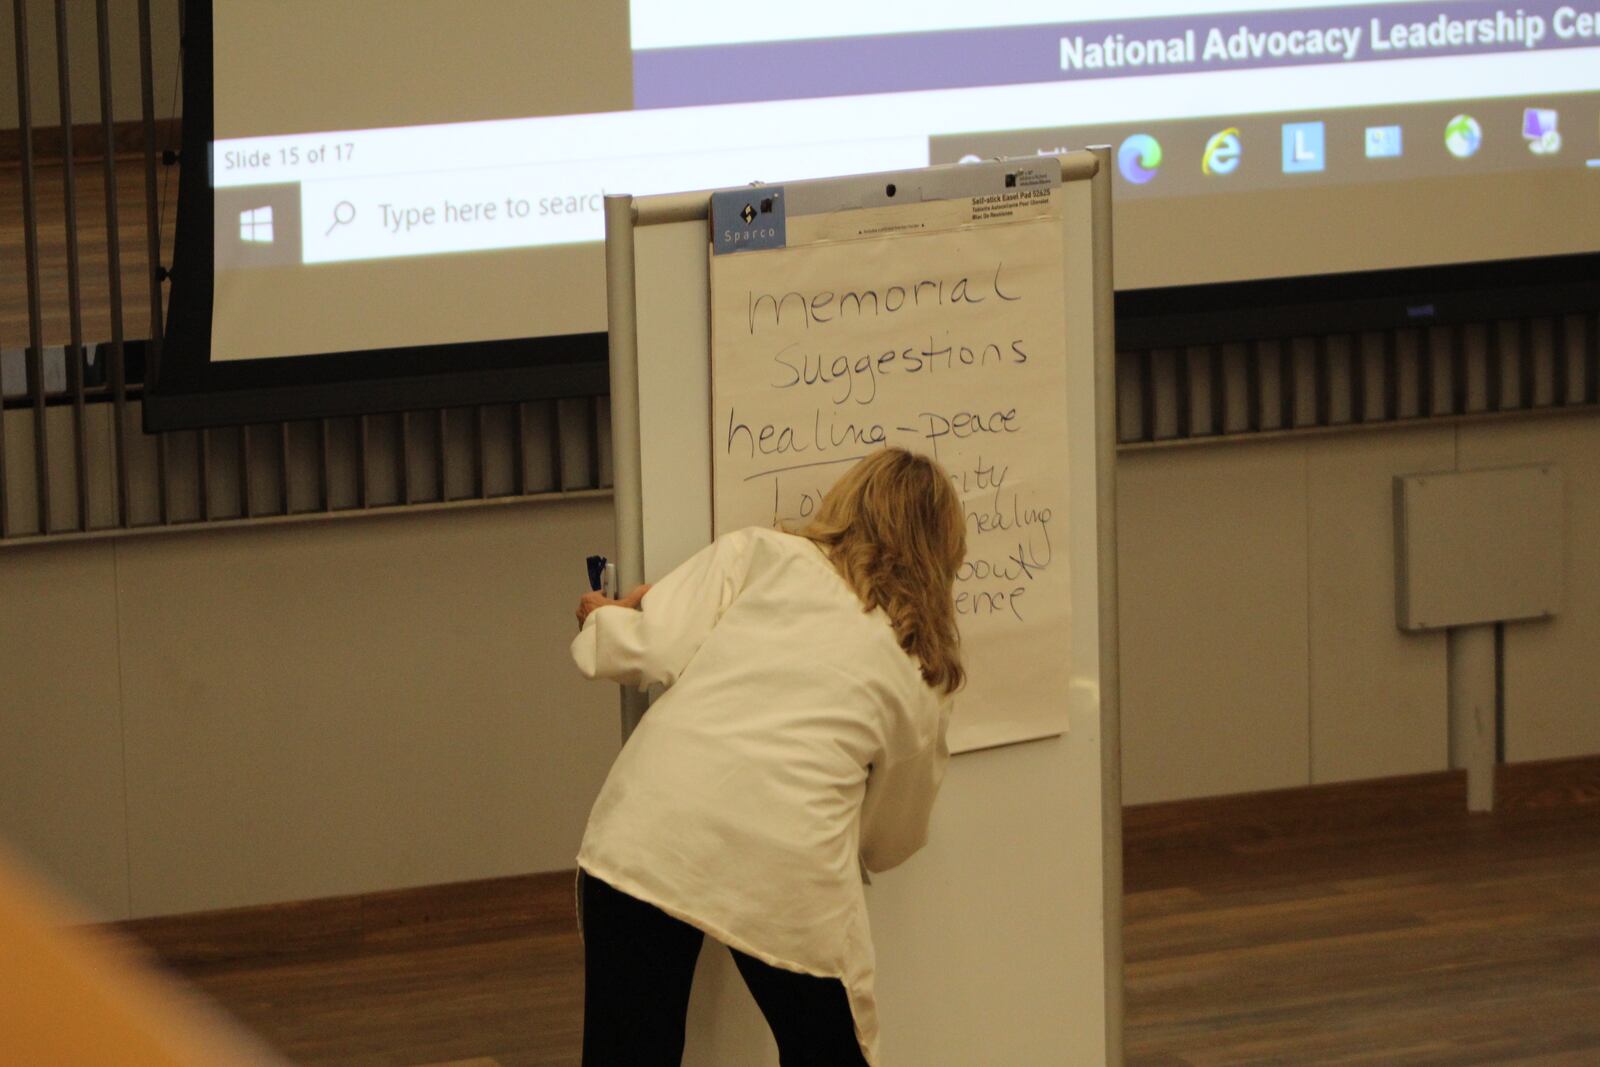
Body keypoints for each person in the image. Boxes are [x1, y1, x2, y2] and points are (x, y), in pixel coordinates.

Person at [570, 447, 966, 1067]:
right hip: (787, 864)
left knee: (629, 1052)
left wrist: (603, 620)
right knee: (829, 1053)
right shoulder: (922, 666)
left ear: (847, 504)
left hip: (650, 829)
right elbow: (892, 835)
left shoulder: (762, 554)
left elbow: (643, 652)